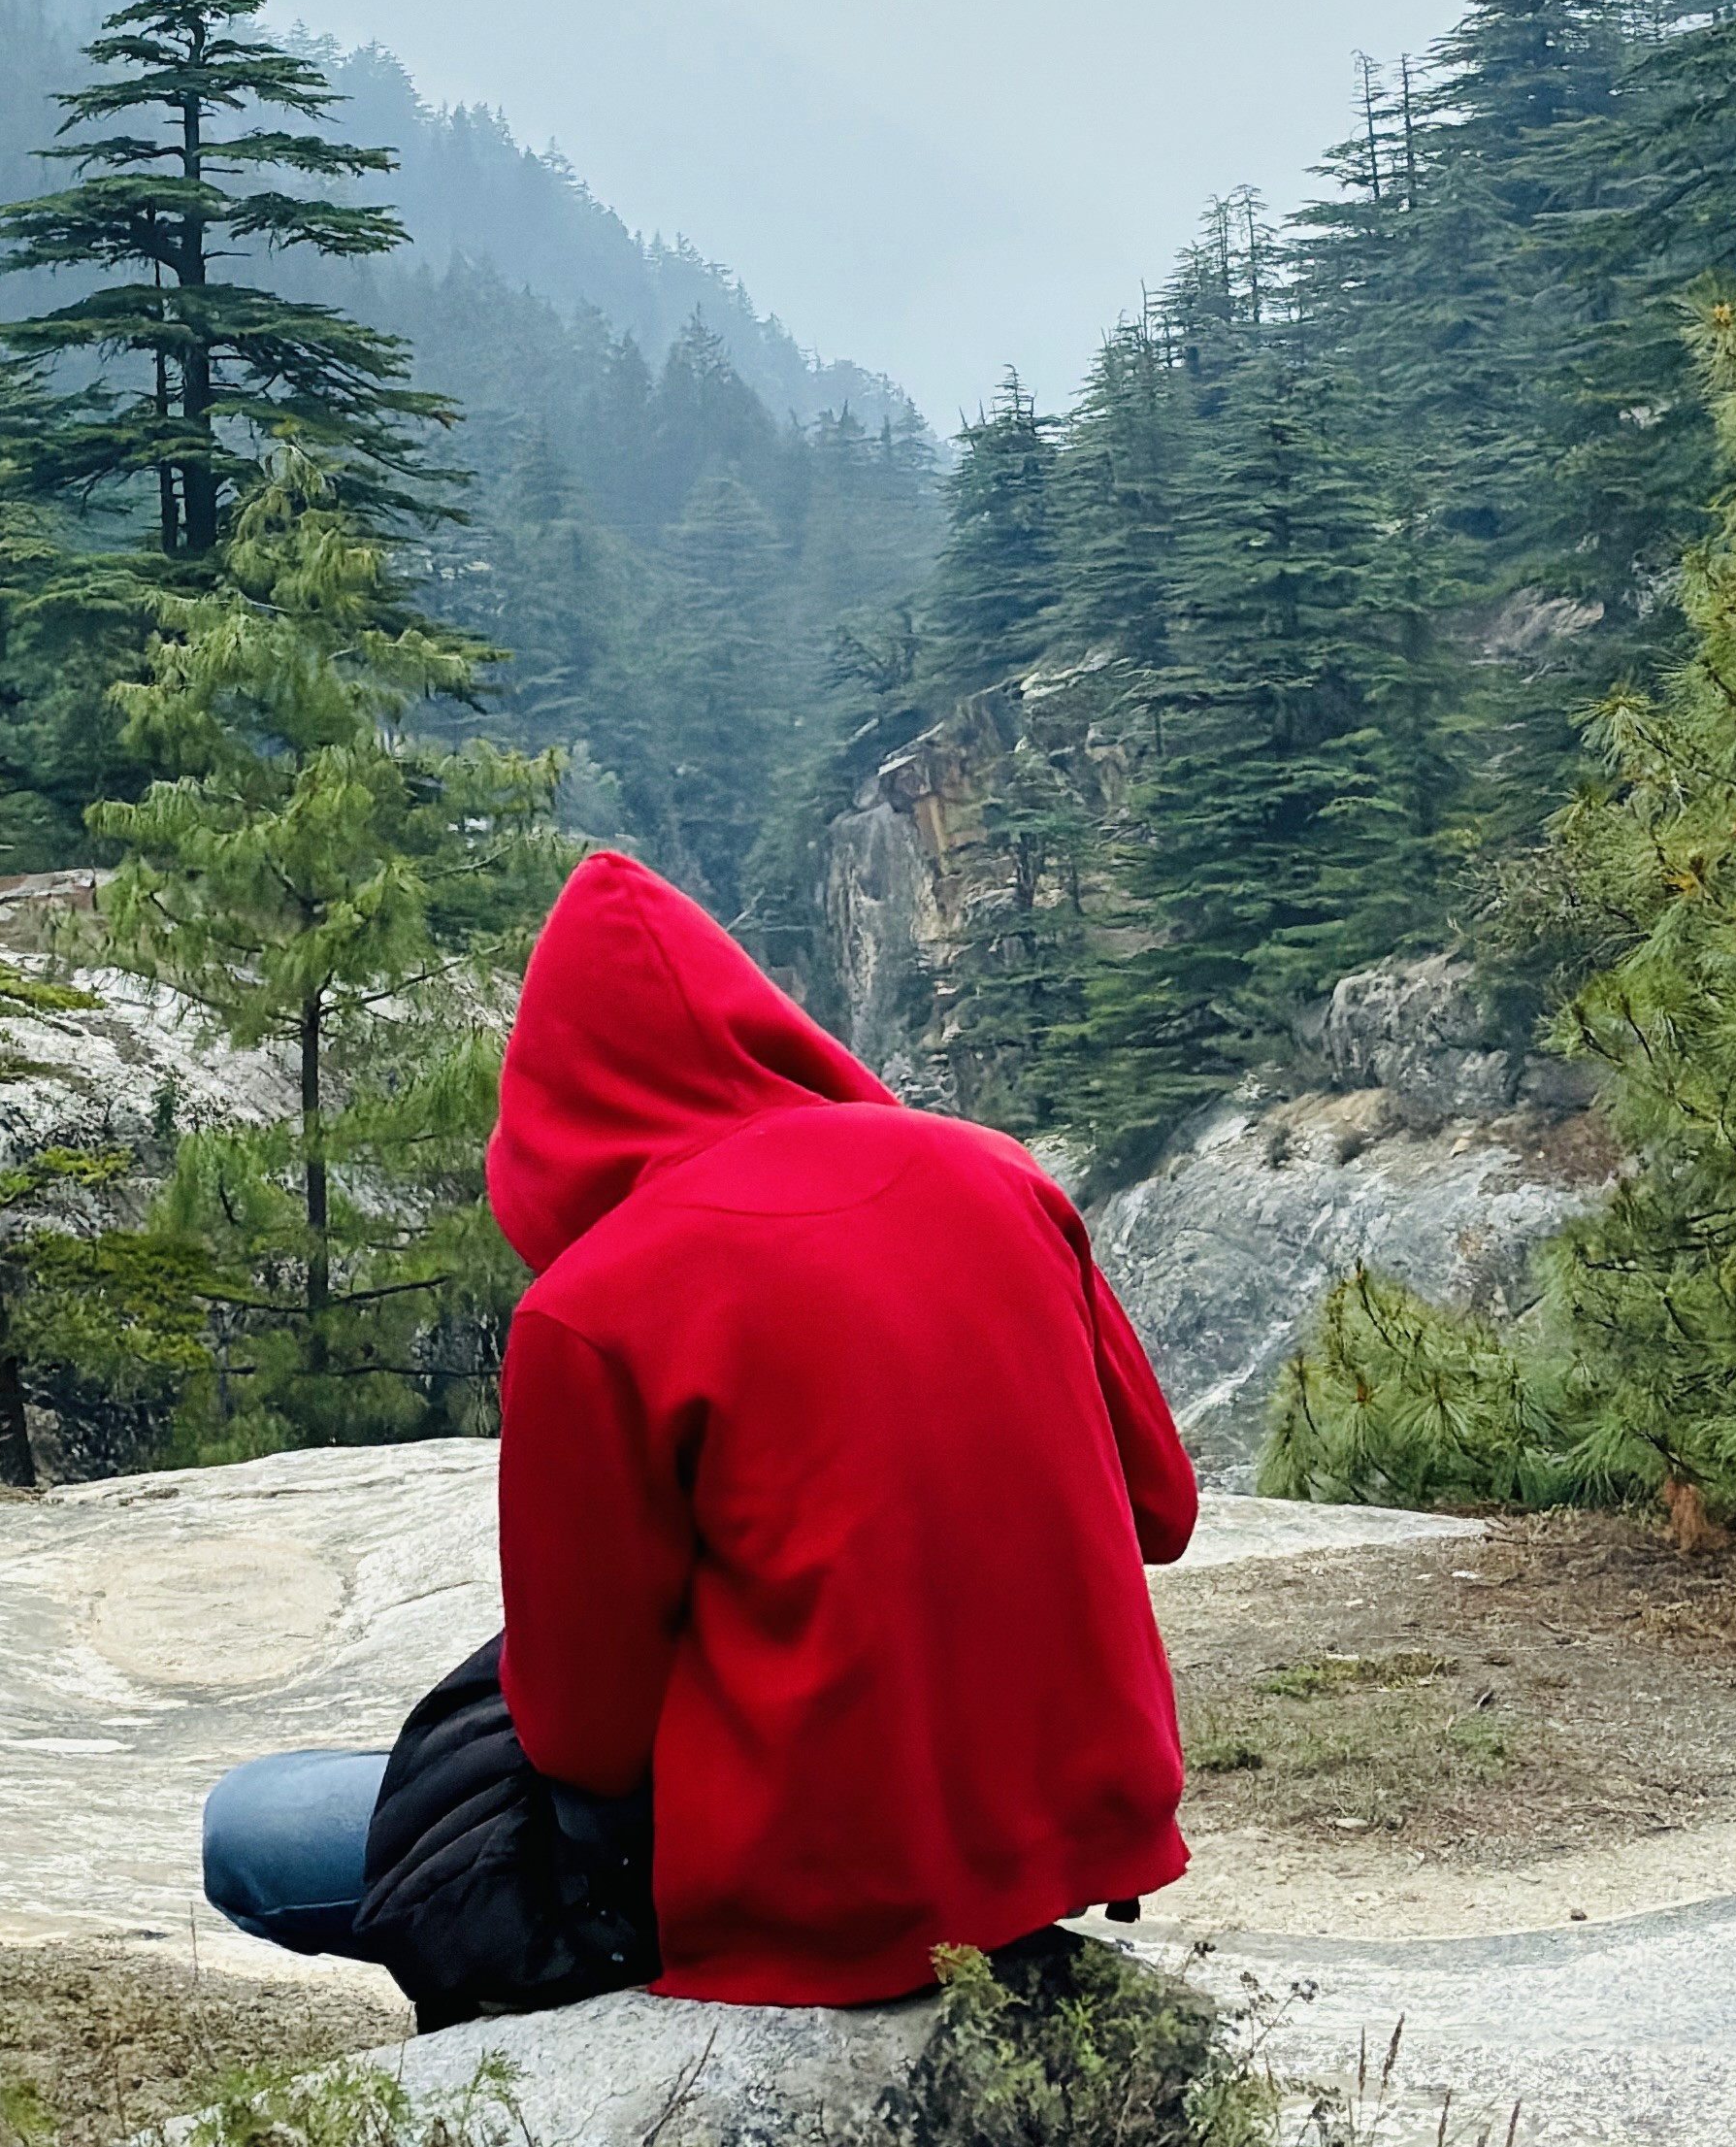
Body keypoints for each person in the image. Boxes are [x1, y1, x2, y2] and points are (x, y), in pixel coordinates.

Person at [201, 844, 1198, 2004]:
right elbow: (1160, 1513)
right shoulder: (1000, 1175)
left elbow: (587, 1743)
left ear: (550, 1108)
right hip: (1077, 1824)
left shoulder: (595, 1305)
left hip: (827, 1896)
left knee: (257, 1826)